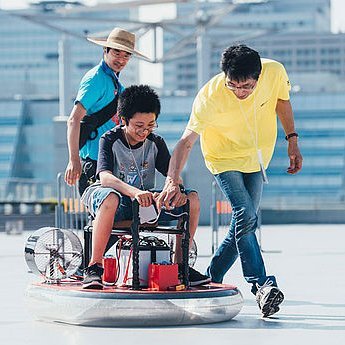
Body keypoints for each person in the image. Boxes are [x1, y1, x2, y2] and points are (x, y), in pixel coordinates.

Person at [157, 44, 303, 317]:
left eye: (246, 86)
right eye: (232, 85)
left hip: (257, 157)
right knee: (245, 213)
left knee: (242, 222)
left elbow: (282, 102)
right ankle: (262, 285)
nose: (239, 92)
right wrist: (172, 179)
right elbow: (186, 142)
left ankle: (211, 276)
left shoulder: (274, 72)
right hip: (223, 158)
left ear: (259, 77)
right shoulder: (209, 96)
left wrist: (292, 141)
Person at [81, 84, 211, 289]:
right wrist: (135, 192)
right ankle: (94, 267)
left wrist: (174, 188)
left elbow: (172, 174)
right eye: (139, 126)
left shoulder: (156, 143)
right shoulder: (110, 139)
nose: (145, 131)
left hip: (143, 202)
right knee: (111, 198)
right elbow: (105, 177)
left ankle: (181, 265)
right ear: (123, 120)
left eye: (151, 125)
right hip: (109, 196)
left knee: (191, 199)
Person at [64, 27, 148, 195]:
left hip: (113, 162)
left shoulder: (117, 85)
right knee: (100, 216)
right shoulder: (96, 79)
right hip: (94, 162)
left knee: (118, 218)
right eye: (117, 53)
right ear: (106, 50)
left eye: (126, 55)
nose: (121, 60)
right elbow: (74, 119)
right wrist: (73, 160)